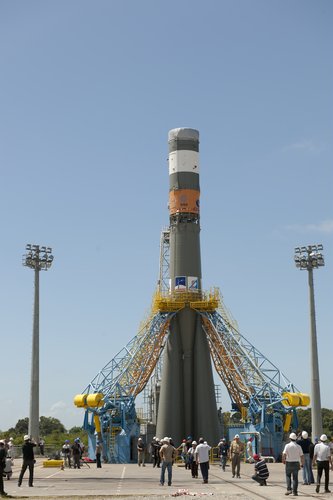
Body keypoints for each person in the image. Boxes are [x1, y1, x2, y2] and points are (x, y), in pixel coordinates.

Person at [282, 432, 304, 496]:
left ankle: (289, 489)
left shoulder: (287, 445)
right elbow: (302, 456)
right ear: (295, 439)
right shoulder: (298, 446)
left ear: (290, 438)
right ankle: (295, 492)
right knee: (295, 478)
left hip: (288, 463)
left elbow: (284, 454)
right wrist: (302, 464)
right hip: (296, 463)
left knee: (288, 476)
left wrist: (283, 460)